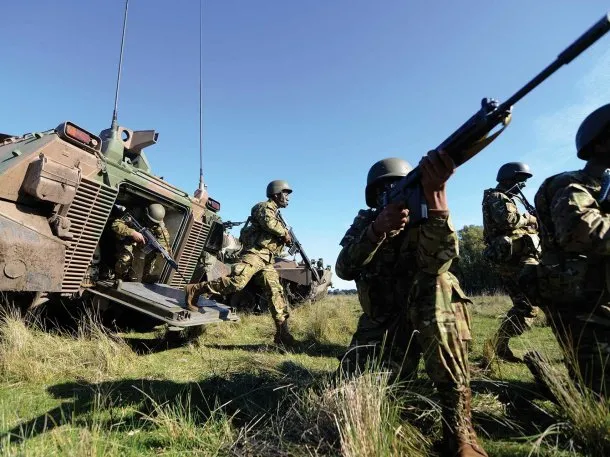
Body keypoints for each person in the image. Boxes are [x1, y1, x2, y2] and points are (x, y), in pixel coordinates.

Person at [336, 153, 487, 457]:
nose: (392, 194)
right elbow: (344, 269)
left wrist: (436, 199)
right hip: (384, 326)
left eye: (400, 186)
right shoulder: (366, 221)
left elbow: (439, 262)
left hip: (431, 321)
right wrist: (376, 231)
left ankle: (458, 428)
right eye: (384, 190)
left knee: (439, 282)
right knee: (343, 393)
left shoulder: (428, 212)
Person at [535, 104, 610, 396]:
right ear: (601, 143)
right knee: (599, 392)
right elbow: (581, 232)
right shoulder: (571, 185)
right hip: (584, 306)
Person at [184, 180, 296, 345]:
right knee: (237, 283)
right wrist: (284, 233)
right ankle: (195, 290)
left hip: (267, 259)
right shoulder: (263, 207)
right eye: (285, 194)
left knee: (276, 293)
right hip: (254, 254)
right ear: (276, 193)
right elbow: (268, 223)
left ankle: (282, 335)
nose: (288, 198)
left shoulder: (278, 215)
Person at [481, 162, 540, 362]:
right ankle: (498, 345)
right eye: (519, 180)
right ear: (508, 179)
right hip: (509, 261)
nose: (522, 185)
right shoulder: (497, 197)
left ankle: (499, 345)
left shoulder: (507, 198)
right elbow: (508, 221)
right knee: (526, 306)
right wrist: (530, 219)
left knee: (526, 305)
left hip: (515, 258)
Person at [111, 202, 171, 283]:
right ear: (146, 214)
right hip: (126, 239)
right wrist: (132, 233)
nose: (152, 223)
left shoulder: (159, 226)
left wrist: (164, 250)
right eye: (150, 220)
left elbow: (164, 240)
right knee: (126, 258)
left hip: (140, 245)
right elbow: (116, 224)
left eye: (154, 222)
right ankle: (118, 276)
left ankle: (146, 276)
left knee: (153, 252)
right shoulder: (135, 213)